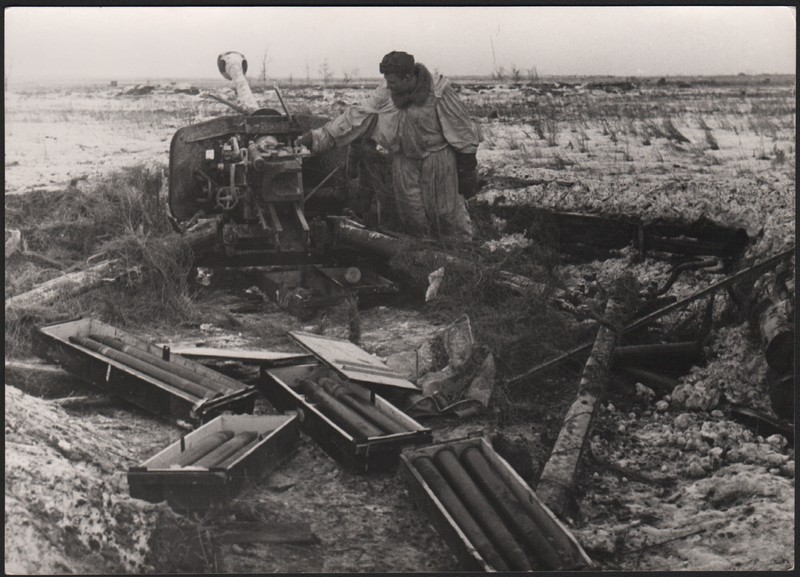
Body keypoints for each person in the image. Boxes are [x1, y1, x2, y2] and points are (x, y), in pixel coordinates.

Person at [296, 51, 480, 239]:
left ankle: (463, 255)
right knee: (412, 216)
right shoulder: (387, 91)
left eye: (392, 82)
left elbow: (462, 129)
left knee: (447, 215)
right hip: (404, 161)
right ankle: (423, 258)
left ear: (408, 77)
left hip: (438, 160)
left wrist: (467, 168)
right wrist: (317, 137)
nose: (388, 86)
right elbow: (357, 116)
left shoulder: (439, 91)